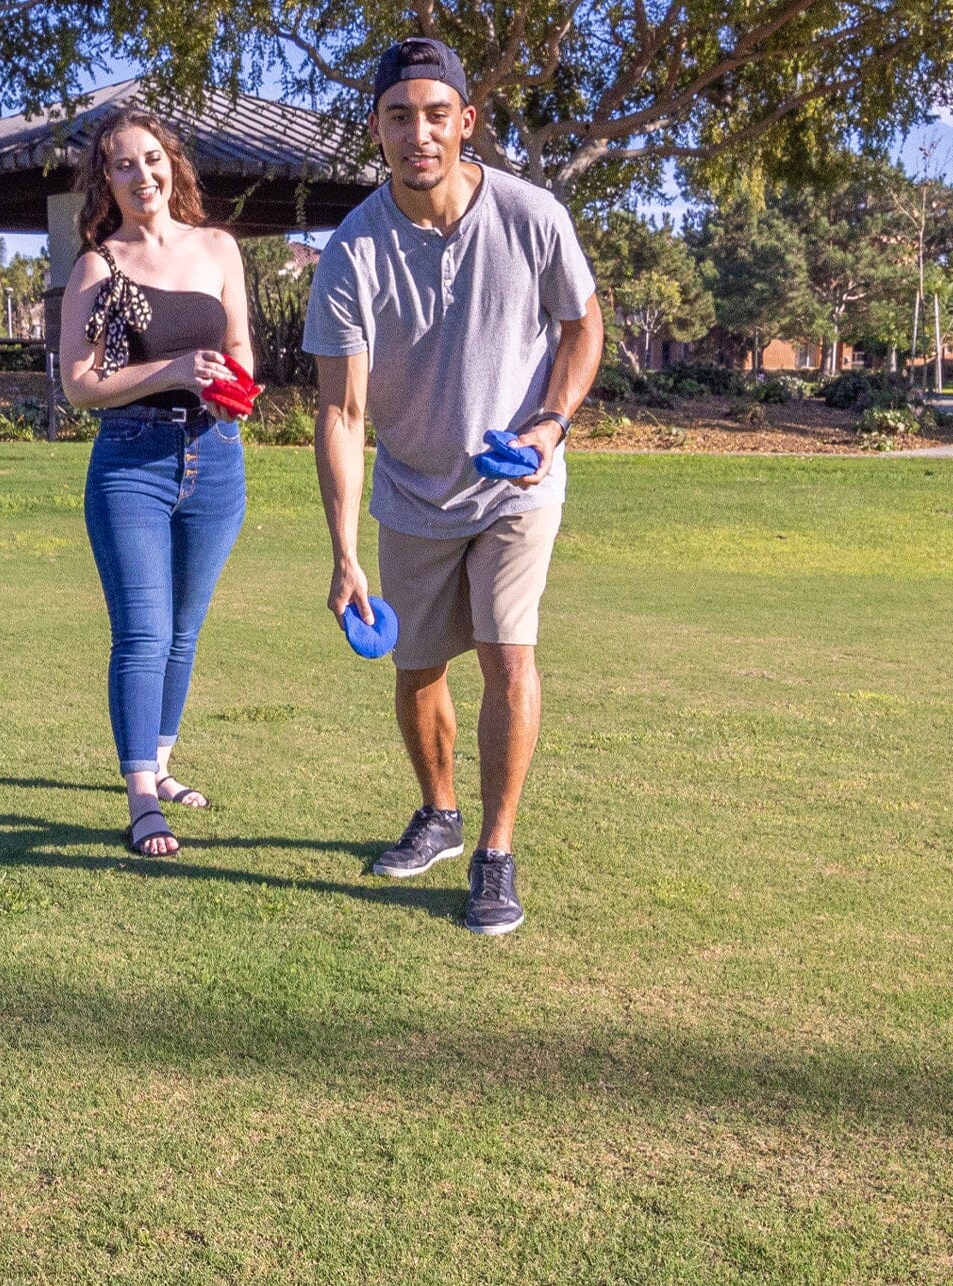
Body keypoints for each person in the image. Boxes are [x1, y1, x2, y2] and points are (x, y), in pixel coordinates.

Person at [305, 35, 604, 937]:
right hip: (412, 489)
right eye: (400, 116)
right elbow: (343, 413)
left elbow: (583, 328)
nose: (419, 134)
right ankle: (440, 813)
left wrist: (549, 423)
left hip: (517, 485)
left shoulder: (532, 214)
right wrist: (346, 554)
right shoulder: (352, 253)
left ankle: (496, 854)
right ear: (378, 129)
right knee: (418, 666)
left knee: (510, 653)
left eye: (437, 115)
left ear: (466, 122)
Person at [60, 108, 254, 861]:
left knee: (183, 630)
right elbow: (79, 385)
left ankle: (163, 764)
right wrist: (172, 371)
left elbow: (238, 347)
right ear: (104, 182)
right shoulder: (98, 266)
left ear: (173, 164)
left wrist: (229, 387)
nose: (142, 176)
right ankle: (141, 796)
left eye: (152, 160)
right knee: (143, 631)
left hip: (217, 457)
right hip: (130, 465)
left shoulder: (218, 249)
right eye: (122, 166)